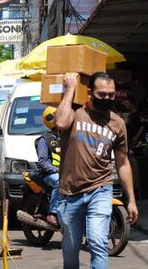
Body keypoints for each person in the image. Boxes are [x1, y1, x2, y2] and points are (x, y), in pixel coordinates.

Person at [55, 72, 139, 269]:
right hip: (70, 192)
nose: (108, 99)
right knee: (71, 246)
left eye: (111, 95)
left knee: (97, 241)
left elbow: (123, 162)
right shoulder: (75, 113)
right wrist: (69, 89)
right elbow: (60, 123)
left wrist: (132, 200)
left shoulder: (117, 123)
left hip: (100, 189)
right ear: (90, 93)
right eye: (103, 95)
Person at [34, 107, 60, 227]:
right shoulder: (44, 140)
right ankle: (52, 212)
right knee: (60, 181)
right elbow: (43, 162)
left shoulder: (68, 136)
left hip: (68, 173)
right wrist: (57, 170)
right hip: (49, 174)